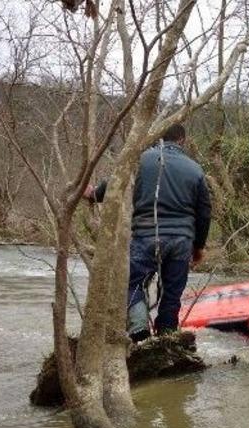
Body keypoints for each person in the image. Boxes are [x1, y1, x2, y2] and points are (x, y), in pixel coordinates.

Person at [85, 123, 211, 341]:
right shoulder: (195, 169)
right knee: (172, 293)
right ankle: (167, 339)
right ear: (182, 140)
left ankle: (139, 327)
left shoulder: (141, 159)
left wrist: (94, 194)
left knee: (131, 282)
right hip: (182, 240)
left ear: (158, 136)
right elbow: (204, 212)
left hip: (146, 234)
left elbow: (116, 182)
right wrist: (198, 246)